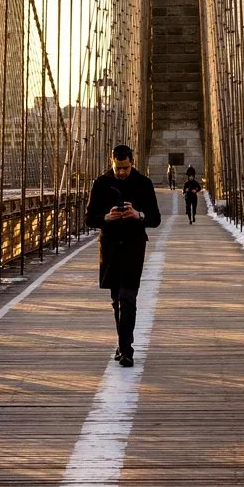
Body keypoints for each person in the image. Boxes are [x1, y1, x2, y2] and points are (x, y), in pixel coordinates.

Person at [85, 143, 161, 366]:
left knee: (128, 299)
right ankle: (122, 344)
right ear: (112, 162)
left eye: (125, 168)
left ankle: (126, 350)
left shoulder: (144, 184)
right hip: (109, 248)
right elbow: (89, 218)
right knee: (116, 300)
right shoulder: (100, 183)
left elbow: (155, 219)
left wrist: (138, 215)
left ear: (132, 163)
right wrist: (106, 218)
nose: (121, 172)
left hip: (133, 247)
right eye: (118, 168)